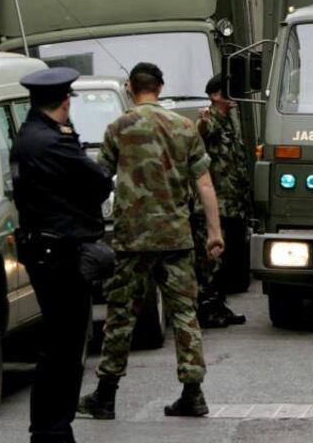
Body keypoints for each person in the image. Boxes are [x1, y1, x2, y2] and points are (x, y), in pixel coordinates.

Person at [78, 63, 225, 418]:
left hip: (132, 240)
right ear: (161, 87)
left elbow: (101, 181)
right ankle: (193, 392)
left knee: (121, 316)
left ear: (130, 88)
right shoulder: (185, 127)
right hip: (175, 236)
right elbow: (203, 183)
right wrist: (215, 232)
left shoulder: (119, 128)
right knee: (185, 314)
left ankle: (106, 395)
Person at [10, 67, 113, 443]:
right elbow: (99, 183)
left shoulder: (29, 137)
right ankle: (53, 429)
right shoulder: (53, 143)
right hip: (61, 254)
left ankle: (50, 427)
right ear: (65, 100)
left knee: (58, 344)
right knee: (65, 349)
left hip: (45, 249)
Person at [192, 74, 250, 328]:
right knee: (210, 261)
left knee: (224, 260)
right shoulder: (212, 120)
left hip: (232, 202)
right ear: (216, 95)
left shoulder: (228, 122)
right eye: (229, 91)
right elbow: (201, 133)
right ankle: (206, 308)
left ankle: (219, 305)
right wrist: (204, 120)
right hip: (215, 204)